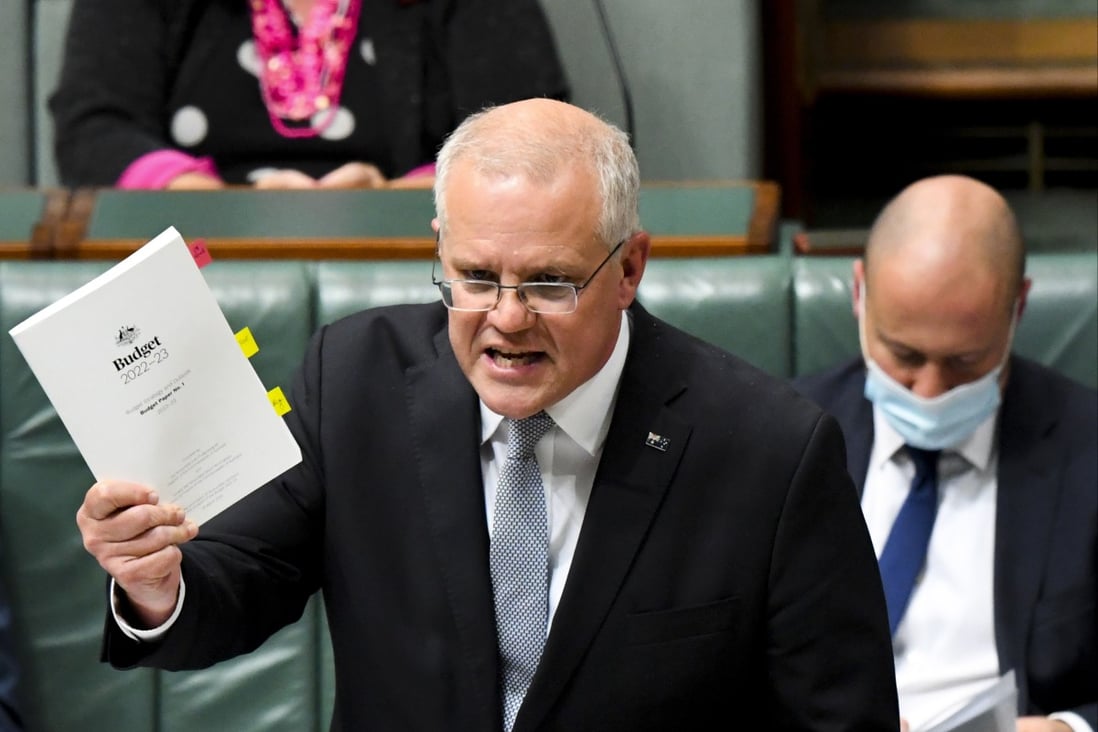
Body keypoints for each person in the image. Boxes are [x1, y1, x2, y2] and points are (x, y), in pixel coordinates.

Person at [76, 98, 900, 730]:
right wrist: (157, 585)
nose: (507, 319)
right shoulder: (354, 381)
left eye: (549, 282)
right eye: (474, 276)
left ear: (630, 268)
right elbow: (234, 588)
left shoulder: (770, 453)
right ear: (440, 247)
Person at [794, 175, 1097, 732]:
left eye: (965, 361)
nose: (930, 392)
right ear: (859, 294)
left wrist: (1072, 728)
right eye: (904, 355)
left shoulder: (1088, 448)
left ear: (1018, 309)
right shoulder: (779, 436)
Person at [50, 0, 568, 190]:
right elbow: (93, 128)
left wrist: (398, 204)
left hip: (414, 261)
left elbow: (529, 133)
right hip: (198, 255)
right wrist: (209, 205)